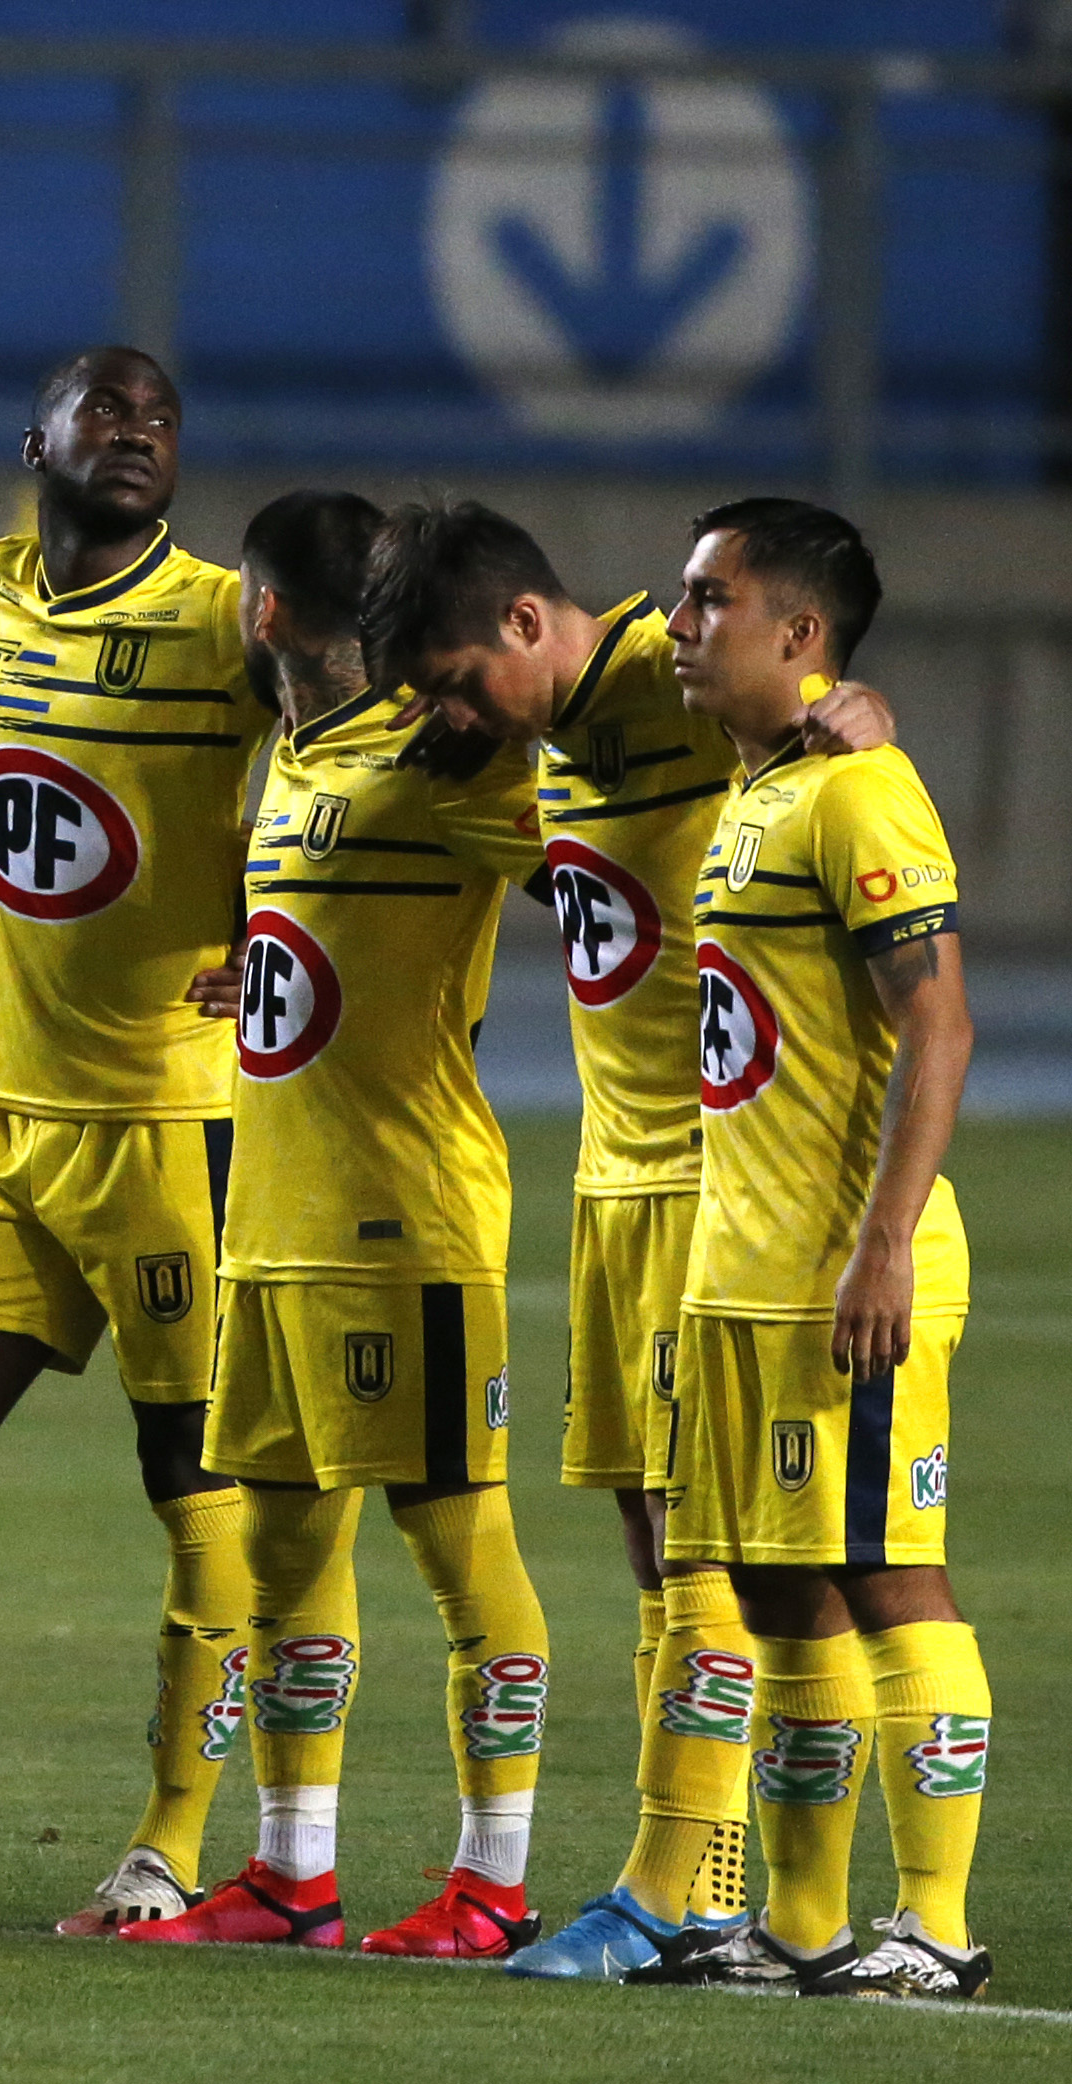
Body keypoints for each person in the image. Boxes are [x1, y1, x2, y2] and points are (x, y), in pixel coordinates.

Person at [358, 500, 891, 1982]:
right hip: (615, 1183)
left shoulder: (679, 660)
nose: (450, 715)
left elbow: (818, 691)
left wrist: (849, 707)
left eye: (460, 680)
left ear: (529, 624)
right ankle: (714, 1889)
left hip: (729, 1187)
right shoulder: (524, 752)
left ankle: (684, 1889)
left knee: (728, 1552)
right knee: (661, 1552)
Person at [0, 348, 270, 1932]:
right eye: (111, 410)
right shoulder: (3, 592)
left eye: (163, 414)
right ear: (36, 441)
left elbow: (372, 728)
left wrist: (276, 917)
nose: (143, 431)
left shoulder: (233, 618)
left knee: (193, 1478)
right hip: (11, 1126)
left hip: (175, 1122)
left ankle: (170, 1849)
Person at [119, 490, 551, 1957]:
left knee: (460, 1552)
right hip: (273, 1223)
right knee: (285, 1555)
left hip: (405, 1226)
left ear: (258, 613)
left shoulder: (452, 762)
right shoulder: (297, 761)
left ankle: (493, 1882)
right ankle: (290, 1871)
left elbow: (598, 829)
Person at [661, 498, 990, 1999]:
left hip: (845, 1265)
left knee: (885, 1576)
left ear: (798, 635)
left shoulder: (860, 794)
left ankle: (934, 1927)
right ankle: (796, 1929)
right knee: (780, 1593)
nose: (676, 624)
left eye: (705, 599)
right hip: (741, 1263)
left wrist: (884, 1248)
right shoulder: (755, 793)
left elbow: (938, 1022)